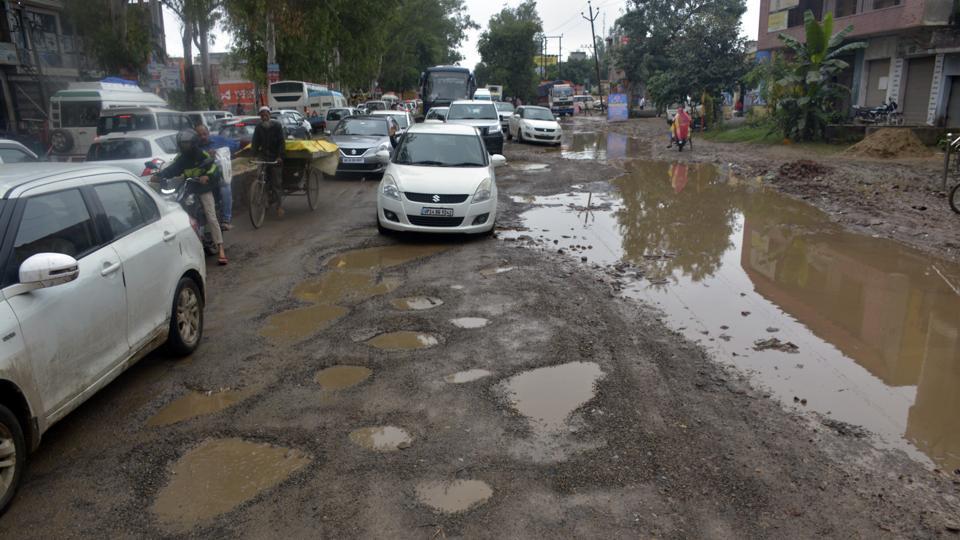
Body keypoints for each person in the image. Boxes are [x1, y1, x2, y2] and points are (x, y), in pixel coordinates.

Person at [153, 129, 228, 265]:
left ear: (193, 143)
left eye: (186, 144)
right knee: (180, 212)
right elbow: (173, 169)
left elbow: (213, 168)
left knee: (210, 215)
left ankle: (220, 248)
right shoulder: (181, 158)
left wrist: (207, 176)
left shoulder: (202, 154)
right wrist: (159, 176)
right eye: (182, 144)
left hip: (204, 187)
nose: (184, 147)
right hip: (190, 186)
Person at [195, 123, 233, 231]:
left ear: (208, 133)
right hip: (202, 176)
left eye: (204, 134)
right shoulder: (194, 147)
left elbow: (234, 145)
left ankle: (226, 219)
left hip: (217, 174)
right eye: (199, 135)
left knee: (226, 187)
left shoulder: (218, 140)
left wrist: (220, 151)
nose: (202, 137)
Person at [251, 106, 286, 217]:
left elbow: (281, 142)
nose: (264, 117)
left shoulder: (277, 126)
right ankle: (264, 199)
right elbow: (255, 142)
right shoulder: (258, 128)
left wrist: (280, 156)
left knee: (276, 183)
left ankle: (279, 206)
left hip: (275, 157)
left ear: (269, 115)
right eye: (262, 116)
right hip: (264, 156)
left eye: (266, 115)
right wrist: (253, 155)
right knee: (260, 178)